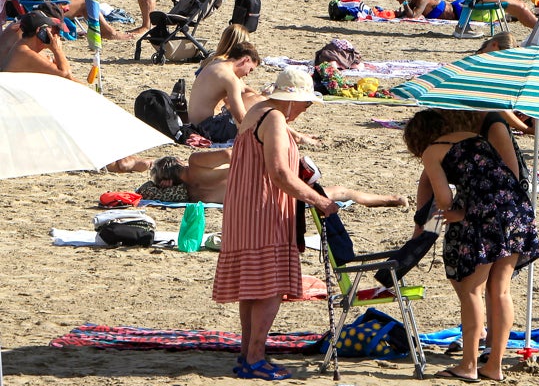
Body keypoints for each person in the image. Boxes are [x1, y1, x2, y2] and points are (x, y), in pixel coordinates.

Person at [212, 68, 337, 381]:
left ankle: (247, 354)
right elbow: (280, 173)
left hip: (243, 208)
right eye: (305, 104)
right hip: (264, 209)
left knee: (251, 288)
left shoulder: (257, 110)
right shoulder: (276, 119)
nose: (306, 109)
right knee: (269, 286)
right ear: (293, 101)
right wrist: (319, 201)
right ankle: (255, 357)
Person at [403, 109, 539, 383]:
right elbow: (494, 181)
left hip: (486, 216)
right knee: (500, 291)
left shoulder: (433, 151)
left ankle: (468, 365)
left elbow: (443, 199)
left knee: (472, 290)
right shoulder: (476, 138)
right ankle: (495, 366)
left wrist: (452, 215)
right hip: (517, 212)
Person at [143, 151, 407, 207]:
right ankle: (392, 199)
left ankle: (392, 200)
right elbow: (229, 153)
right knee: (338, 191)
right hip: (261, 182)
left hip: (254, 199)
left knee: (329, 193)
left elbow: (148, 192)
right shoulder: (195, 162)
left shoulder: (191, 196)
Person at [188, 42, 263, 143]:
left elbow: (244, 88)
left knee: (254, 98)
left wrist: (260, 95)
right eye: (250, 69)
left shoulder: (217, 63)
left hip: (195, 122)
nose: (247, 74)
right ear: (246, 60)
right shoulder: (231, 79)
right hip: (209, 128)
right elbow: (241, 117)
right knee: (255, 106)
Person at [0, 9, 73, 78]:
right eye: (52, 30)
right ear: (40, 31)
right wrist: (57, 50)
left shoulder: (24, 46)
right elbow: (65, 74)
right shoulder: (25, 52)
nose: (57, 35)